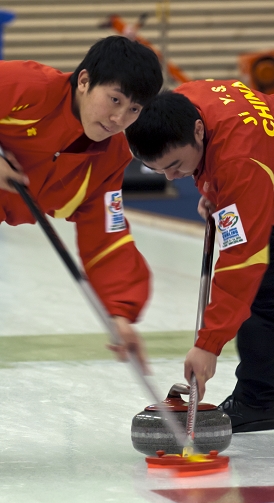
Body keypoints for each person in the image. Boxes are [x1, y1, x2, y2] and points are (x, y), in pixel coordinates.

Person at [125, 79, 274, 432]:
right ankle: (255, 403)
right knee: (263, 297)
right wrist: (212, 185)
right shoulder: (182, 105)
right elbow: (220, 165)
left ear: (197, 131)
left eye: (176, 164)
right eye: (161, 170)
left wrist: (208, 345)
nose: (172, 177)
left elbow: (241, 262)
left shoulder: (240, 162)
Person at [0, 36, 162, 369]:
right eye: (114, 99)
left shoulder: (111, 156)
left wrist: (121, 312)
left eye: (134, 109)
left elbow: (107, 235)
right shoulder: (25, 86)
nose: (119, 118)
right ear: (85, 81)